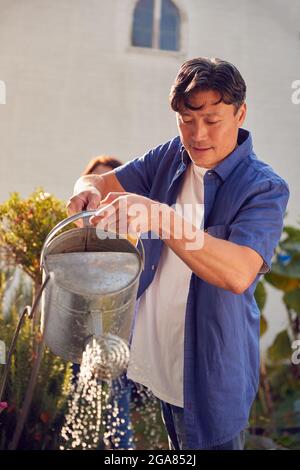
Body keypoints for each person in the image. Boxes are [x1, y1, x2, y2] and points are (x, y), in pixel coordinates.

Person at [67, 57, 290, 450]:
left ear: (241, 113)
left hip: (210, 380)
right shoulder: (171, 155)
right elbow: (98, 180)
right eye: (187, 120)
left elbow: (238, 273)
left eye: (212, 120)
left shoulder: (264, 188)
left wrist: (161, 217)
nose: (198, 134)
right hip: (161, 365)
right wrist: (85, 190)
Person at [76, 154, 135, 450]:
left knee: (117, 416)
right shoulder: (76, 237)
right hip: (79, 340)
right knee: (79, 417)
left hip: (116, 339)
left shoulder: (129, 237)